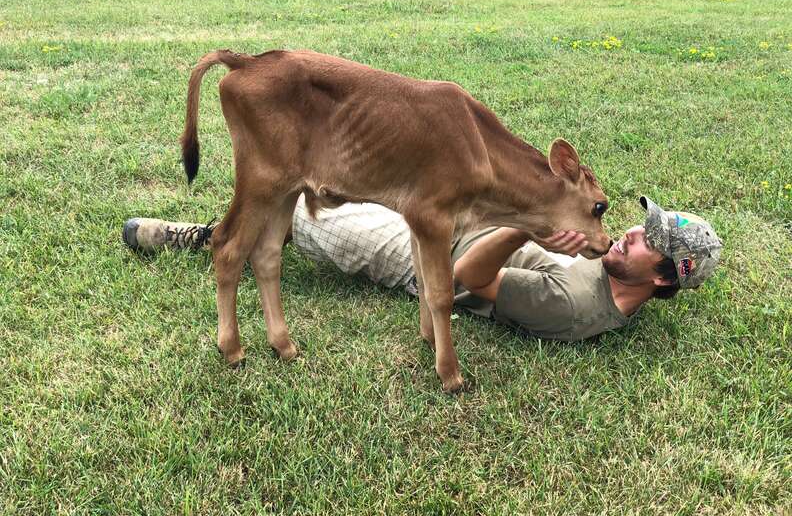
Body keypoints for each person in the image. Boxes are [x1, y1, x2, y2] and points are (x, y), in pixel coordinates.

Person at [123, 195, 722, 342]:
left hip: (423, 258)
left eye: (651, 241)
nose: (634, 231)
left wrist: (522, 225)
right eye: (647, 223)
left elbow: (467, 277)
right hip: (455, 218)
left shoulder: (574, 309)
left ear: (664, 279)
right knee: (339, 182)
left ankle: (209, 238)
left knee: (305, 209)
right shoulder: (613, 267)